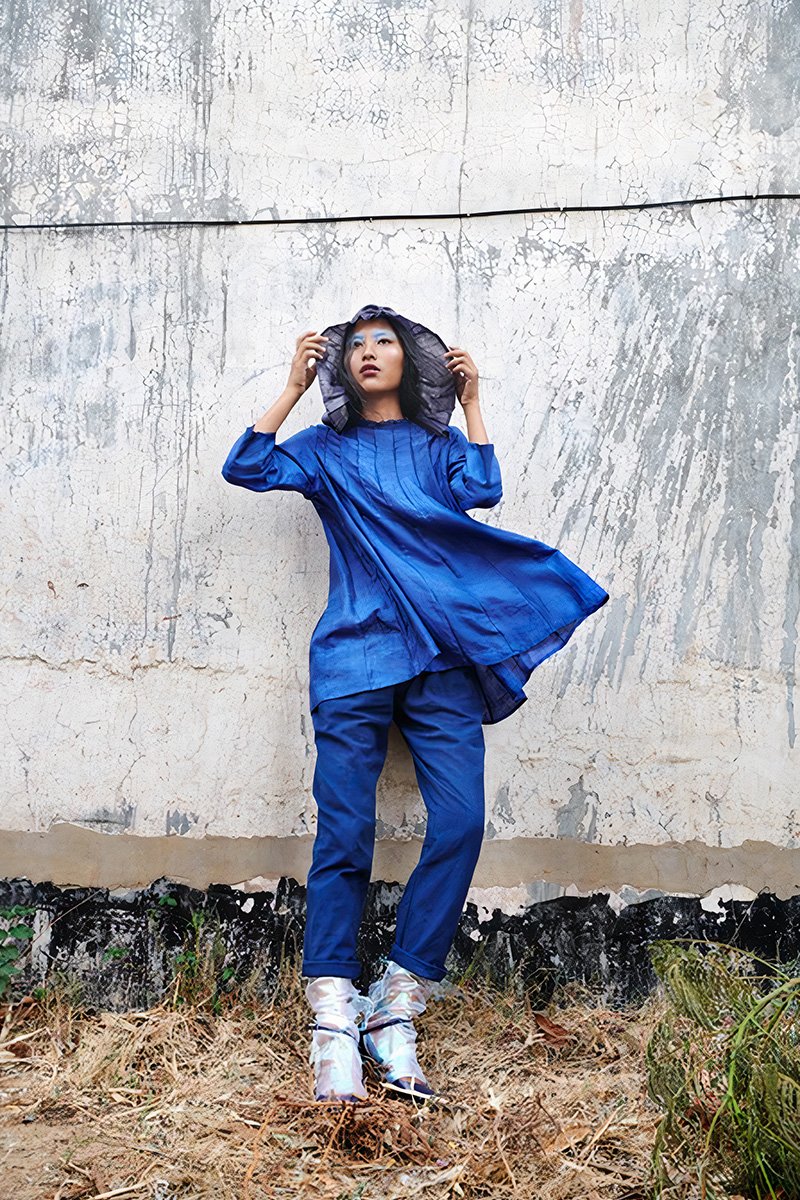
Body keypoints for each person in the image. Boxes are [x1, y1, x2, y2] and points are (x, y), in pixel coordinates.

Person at [221, 304, 609, 1105]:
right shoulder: (323, 450)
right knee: (346, 832)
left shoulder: (438, 449)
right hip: (355, 657)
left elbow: (484, 489)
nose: (368, 352)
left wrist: (473, 403)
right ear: (341, 368)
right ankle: (332, 1014)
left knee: (461, 822)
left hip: (442, 660)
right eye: (356, 345)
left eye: (385, 342)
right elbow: (247, 466)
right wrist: (291, 388)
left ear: (411, 363)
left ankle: (397, 1004)